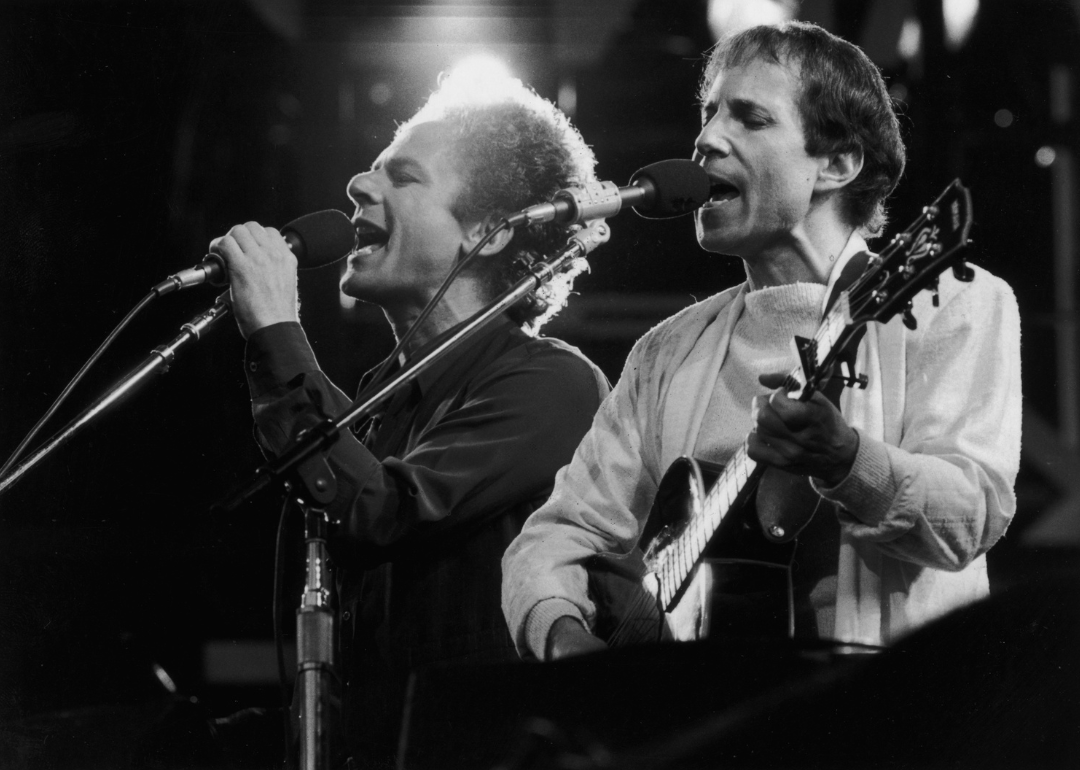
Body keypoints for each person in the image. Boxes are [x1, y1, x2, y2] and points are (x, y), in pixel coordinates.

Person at [502, 21, 1021, 662]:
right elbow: (556, 537)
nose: (705, 138)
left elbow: (970, 519)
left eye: (749, 118)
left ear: (837, 163)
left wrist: (847, 461)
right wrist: (563, 637)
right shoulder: (666, 353)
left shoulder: (949, 303)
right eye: (708, 113)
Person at [210, 71, 610, 767]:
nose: (358, 188)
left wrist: (276, 328)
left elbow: (386, 511)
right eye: (369, 171)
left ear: (486, 232)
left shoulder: (551, 381)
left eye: (402, 176)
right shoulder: (376, 404)